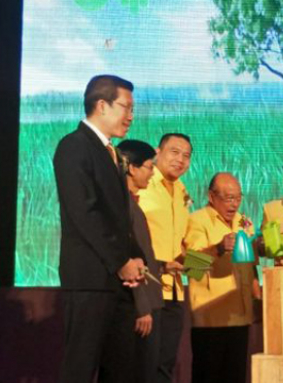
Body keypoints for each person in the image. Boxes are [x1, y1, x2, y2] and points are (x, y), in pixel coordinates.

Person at [53, 74, 144, 383]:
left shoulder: (112, 153)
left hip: (118, 282)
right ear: (102, 105)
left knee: (120, 369)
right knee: (80, 367)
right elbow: (85, 213)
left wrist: (133, 257)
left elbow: (118, 218)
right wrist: (121, 261)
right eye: (126, 107)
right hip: (90, 278)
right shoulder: (73, 146)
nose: (131, 116)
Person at [185, 172, 259, 383]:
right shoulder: (197, 220)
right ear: (211, 196)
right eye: (228, 198)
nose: (234, 204)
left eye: (237, 197)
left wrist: (257, 298)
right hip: (210, 317)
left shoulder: (244, 222)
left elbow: (251, 265)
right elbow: (191, 266)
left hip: (240, 314)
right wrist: (218, 248)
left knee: (235, 376)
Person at [138, 133, 192, 383]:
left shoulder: (181, 189)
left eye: (186, 155)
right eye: (174, 152)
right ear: (157, 152)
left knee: (165, 363)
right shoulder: (144, 183)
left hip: (174, 290)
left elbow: (178, 237)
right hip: (146, 285)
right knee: (144, 362)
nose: (180, 159)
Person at [118, 139, 164, 383]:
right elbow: (128, 258)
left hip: (149, 302)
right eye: (149, 166)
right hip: (141, 307)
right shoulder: (122, 205)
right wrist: (142, 307)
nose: (152, 172)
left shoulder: (132, 203)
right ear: (132, 168)